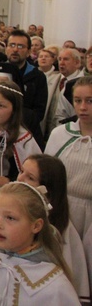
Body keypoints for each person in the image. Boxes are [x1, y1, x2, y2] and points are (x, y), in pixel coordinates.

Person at [18, 154, 90, 303]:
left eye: (30, 178)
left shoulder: (59, 231)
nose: (20, 179)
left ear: (48, 191)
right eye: (21, 171)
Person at [46, 76, 92, 239]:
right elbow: (46, 174)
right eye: (78, 101)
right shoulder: (61, 134)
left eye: (89, 101)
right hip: (62, 208)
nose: (82, 107)